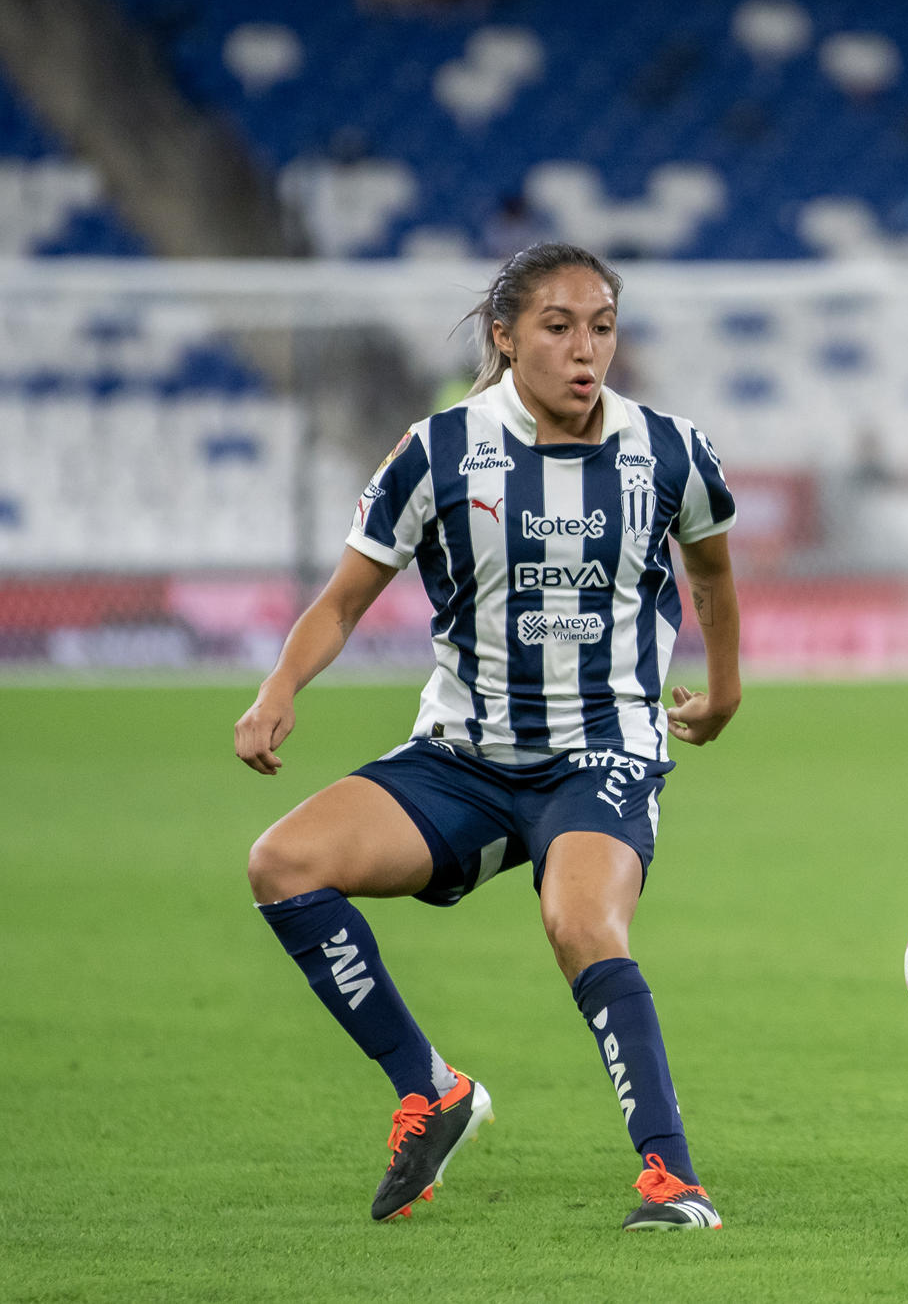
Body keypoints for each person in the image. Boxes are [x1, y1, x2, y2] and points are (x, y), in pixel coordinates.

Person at [235, 242, 740, 1231]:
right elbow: (344, 601)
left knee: (583, 925)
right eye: (558, 328)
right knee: (282, 863)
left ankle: (671, 1181)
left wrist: (722, 693)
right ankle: (431, 1089)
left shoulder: (670, 449)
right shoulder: (437, 452)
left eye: (601, 326)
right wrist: (281, 684)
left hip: (603, 751)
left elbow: (712, 573)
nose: (584, 349)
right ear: (505, 339)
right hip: (460, 760)